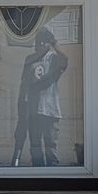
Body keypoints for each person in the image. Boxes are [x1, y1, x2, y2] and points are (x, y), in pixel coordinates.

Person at [11, 27, 69, 167]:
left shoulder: (54, 58)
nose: (40, 45)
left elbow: (65, 61)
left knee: (50, 147)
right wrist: (21, 108)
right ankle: (38, 177)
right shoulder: (30, 59)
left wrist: (54, 43)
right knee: (35, 147)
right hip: (32, 112)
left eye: (44, 42)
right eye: (38, 41)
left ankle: (53, 179)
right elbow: (24, 85)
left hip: (50, 110)